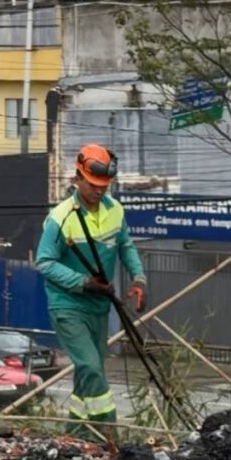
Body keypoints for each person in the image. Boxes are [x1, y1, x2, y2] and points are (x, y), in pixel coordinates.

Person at [34, 144, 146, 433]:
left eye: (105, 186)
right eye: (94, 184)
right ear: (79, 178)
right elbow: (44, 263)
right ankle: (107, 433)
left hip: (99, 306)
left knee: (88, 372)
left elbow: (126, 246)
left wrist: (138, 279)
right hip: (67, 305)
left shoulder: (115, 211)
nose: (99, 191)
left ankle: (77, 434)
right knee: (91, 367)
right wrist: (82, 282)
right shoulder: (60, 218)